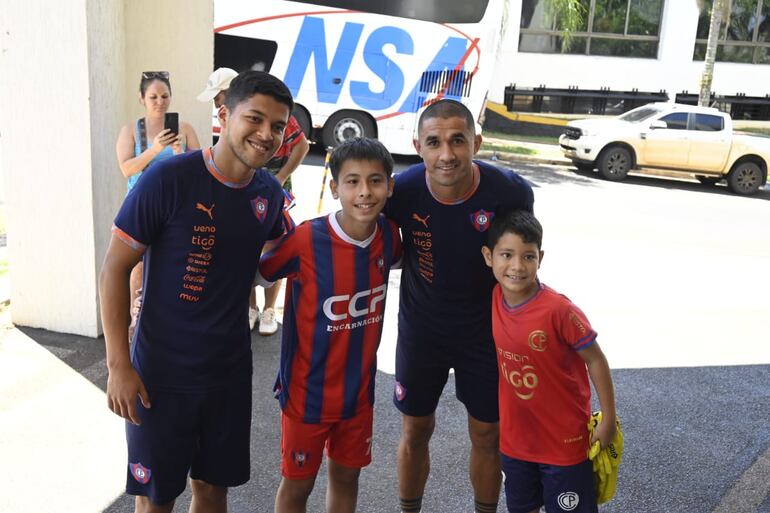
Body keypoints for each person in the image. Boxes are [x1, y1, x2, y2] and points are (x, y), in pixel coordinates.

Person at [99, 70, 294, 513]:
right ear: (224, 115)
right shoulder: (168, 179)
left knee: (212, 491)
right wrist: (118, 365)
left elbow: (285, 254)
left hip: (227, 374)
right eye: (255, 118)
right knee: (157, 498)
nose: (266, 134)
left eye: (278, 126)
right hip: (160, 376)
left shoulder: (268, 193)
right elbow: (114, 268)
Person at [383, 99, 534, 513]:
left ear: (476, 143)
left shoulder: (510, 192)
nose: (446, 154)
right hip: (421, 333)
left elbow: (523, 264)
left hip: (485, 336)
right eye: (434, 142)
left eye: (458, 140)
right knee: (415, 430)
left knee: (487, 435)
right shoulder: (402, 192)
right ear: (418, 146)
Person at [258, 137, 402, 513]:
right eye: (353, 181)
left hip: (358, 396)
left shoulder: (390, 236)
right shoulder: (307, 239)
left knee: (347, 479)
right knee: (297, 486)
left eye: (375, 180)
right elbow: (262, 272)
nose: (365, 191)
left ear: (390, 186)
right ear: (335, 188)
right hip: (307, 397)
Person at [481, 210, 617, 513]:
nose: (517, 266)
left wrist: (608, 418)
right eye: (507, 255)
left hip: (564, 444)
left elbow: (596, 360)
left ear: (540, 258)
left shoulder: (559, 310)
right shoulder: (494, 297)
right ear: (489, 256)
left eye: (528, 256)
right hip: (516, 443)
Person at [198, 67, 310, 335]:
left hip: (271, 186)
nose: (216, 105)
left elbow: (302, 145)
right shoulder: (180, 175)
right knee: (245, 249)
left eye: (218, 97)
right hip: (245, 185)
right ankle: (250, 307)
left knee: (273, 245)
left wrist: (280, 177)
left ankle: (269, 309)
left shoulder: (273, 111)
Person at [116, 71, 201, 340]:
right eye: (153, 97)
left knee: (175, 263)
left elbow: (199, 170)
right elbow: (127, 169)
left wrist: (178, 153)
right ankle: (136, 322)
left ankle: (171, 321)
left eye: (165, 96)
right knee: (138, 266)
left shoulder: (184, 129)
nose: (160, 102)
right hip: (141, 206)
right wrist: (154, 149)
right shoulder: (131, 131)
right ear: (142, 98)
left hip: (177, 207)